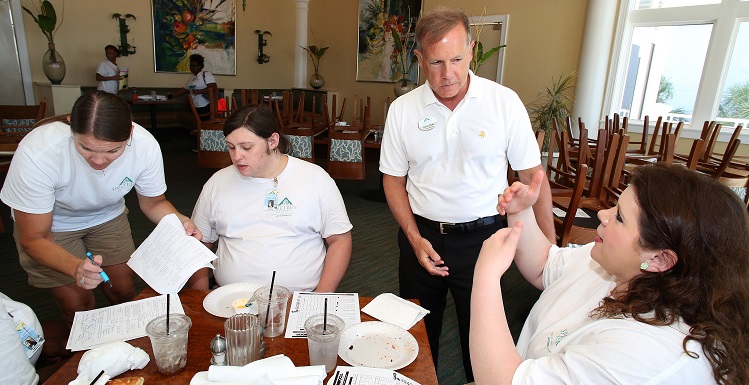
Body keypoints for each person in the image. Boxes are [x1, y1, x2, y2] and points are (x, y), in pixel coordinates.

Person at [378, 6, 554, 381]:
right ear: (419, 58)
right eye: (437, 62)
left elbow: (534, 178)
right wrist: (412, 237)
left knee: (484, 347)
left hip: (483, 241)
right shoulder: (402, 111)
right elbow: (393, 180)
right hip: (421, 237)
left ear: (472, 50)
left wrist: (551, 256)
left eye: (457, 59)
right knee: (415, 342)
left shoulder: (503, 102)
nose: (448, 74)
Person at [471, 163, 749, 384]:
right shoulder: (617, 264)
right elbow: (544, 264)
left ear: (659, 258)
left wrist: (485, 277)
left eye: (619, 217)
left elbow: (504, 380)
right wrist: (520, 213)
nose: (603, 213)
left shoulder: (648, 353)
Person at [0, 90, 201, 327]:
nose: (98, 161)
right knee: (79, 306)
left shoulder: (145, 146)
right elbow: (34, 237)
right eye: (86, 148)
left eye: (112, 151)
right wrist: (75, 266)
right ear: (70, 127)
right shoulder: (39, 152)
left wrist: (181, 220)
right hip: (52, 224)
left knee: (123, 291)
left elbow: (154, 203)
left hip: (107, 215)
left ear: (131, 133)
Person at [188, 104, 352, 292]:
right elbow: (198, 243)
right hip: (231, 298)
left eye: (246, 147)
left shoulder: (315, 179)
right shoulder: (217, 183)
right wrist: (200, 294)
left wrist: (322, 295)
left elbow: (340, 240)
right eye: (231, 147)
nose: (237, 156)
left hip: (298, 297)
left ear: (272, 141)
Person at [168, 54, 217, 121]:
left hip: (205, 106)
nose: (191, 68)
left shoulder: (206, 75)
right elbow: (185, 89)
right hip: (194, 106)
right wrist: (173, 95)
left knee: (204, 125)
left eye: (194, 66)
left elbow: (213, 88)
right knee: (197, 126)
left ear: (199, 66)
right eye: (190, 66)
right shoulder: (192, 77)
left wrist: (199, 91)